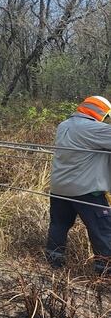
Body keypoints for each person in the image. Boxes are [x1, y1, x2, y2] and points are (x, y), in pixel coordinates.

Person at [46, 96, 111, 276]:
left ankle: (53, 265)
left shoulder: (63, 125)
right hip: (87, 190)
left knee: (59, 224)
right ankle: (105, 273)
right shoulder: (95, 129)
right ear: (101, 113)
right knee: (103, 230)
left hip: (59, 188)